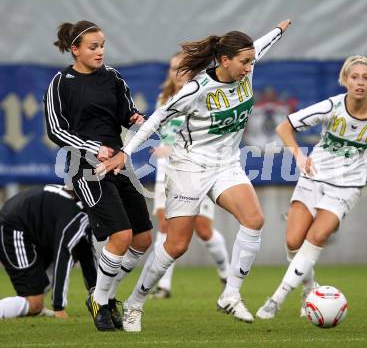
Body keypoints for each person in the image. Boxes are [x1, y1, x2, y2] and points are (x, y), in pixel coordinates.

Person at [98, 19, 293, 330]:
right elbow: (156, 121)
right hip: (189, 167)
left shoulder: (247, 68)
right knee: (176, 245)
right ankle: (135, 302)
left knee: (254, 220)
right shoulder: (197, 89)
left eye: (251, 61)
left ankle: (230, 294)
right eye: (244, 61)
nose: (249, 67)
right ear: (225, 60)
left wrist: (280, 30)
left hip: (226, 163)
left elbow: (263, 43)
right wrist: (126, 152)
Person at [255, 55, 367, 319]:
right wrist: (299, 156)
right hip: (314, 178)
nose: (360, 82)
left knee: (317, 238)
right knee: (292, 241)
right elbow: (283, 126)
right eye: (354, 77)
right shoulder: (331, 107)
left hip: (346, 188)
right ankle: (310, 287)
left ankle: (275, 300)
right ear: (345, 80)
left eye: (365, 77)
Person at [43, 20, 153, 331]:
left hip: (119, 163)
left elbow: (126, 113)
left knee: (143, 239)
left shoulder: (113, 78)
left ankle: (103, 295)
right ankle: (102, 304)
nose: (100, 51)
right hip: (86, 168)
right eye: (93, 47)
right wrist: (93, 147)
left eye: (102, 45)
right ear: (75, 50)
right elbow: (55, 129)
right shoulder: (60, 82)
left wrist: (137, 120)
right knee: (121, 236)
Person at [149, 53, 229, 299]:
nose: (178, 73)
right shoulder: (164, 100)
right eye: (174, 68)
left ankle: (227, 274)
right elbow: (163, 134)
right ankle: (164, 285)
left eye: (183, 68)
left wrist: (175, 149)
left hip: (196, 172)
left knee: (203, 230)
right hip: (167, 173)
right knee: (165, 225)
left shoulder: (204, 96)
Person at [0, 184, 96, 319]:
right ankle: (34, 305)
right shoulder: (78, 213)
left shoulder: (81, 204)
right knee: (34, 302)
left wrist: (97, 296)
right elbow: (63, 256)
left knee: (75, 250)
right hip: (13, 229)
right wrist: (59, 307)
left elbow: (84, 251)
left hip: (32, 232)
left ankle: (33, 304)